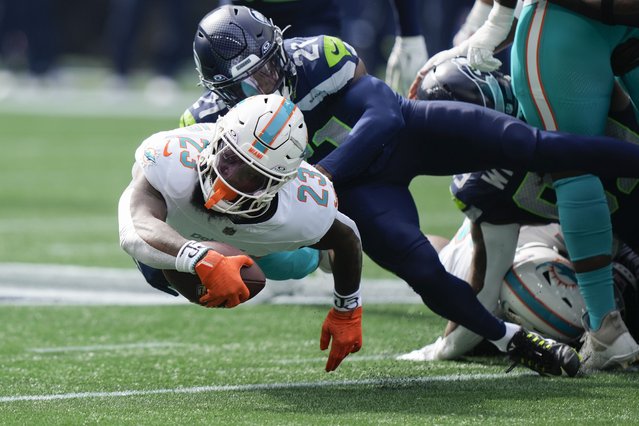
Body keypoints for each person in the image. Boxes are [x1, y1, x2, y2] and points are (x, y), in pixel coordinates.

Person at [183, 4, 639, 378]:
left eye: (265, 71)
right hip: (363, 192)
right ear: (219, 92)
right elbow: (185, 199)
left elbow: (385, 117)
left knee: (531, 145)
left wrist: (319, 178)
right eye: (245, 85)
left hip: (400, 142)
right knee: (420, 267)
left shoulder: (316, 56)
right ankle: (514, 341)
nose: (263, 87)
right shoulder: (204, 126)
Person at [409, 2, 639, 370]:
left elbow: (481, 290)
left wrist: (498, 18)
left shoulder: (480, 184)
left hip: (569, 17)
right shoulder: (574, 97)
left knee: (572, 171)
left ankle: (605, 327)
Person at [119, 93, 363, 372]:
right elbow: (133, 229)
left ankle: (315, 259)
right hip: (176, 228)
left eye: (251, 177)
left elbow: (348, 236)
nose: (230, 178)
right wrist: (200, 257)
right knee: (156, 268)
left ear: (279, 184)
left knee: (293, 265)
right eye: (229, 159)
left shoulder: (302, 208)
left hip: (253, 235)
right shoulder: (171, 157)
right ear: (218, 141)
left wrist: (347, 309)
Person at [399, 220, 639, 362]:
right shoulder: (471, 280)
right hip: (480, 248)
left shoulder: (555, 229)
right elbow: (464, 328)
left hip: (497, 228)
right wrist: (440, 350)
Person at [225, 0, 428, 96]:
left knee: (321, 99)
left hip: (312, 14)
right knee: (246, 110)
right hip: (245, 16)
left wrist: (410, 34)